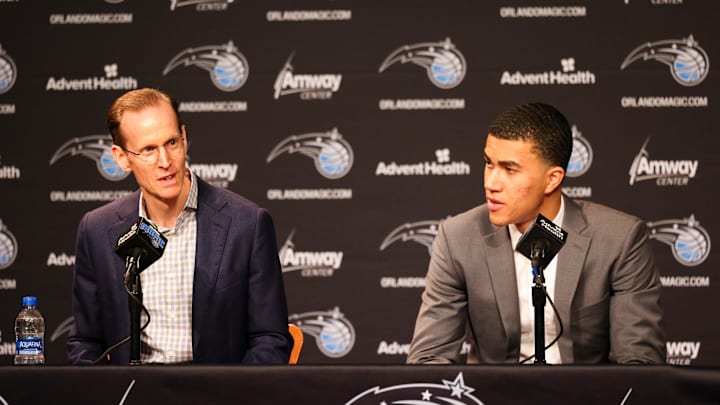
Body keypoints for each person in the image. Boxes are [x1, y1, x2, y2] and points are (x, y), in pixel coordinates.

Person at [407, 102, 665, 364]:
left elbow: (640, 364)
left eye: (509, 169)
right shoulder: (459, 238)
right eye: (488, 163)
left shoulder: (619, 239)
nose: (490, 183)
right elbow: (429, 359)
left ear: (552, 179)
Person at [67, 88, 292, 364]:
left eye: (171, 143)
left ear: (184, 138)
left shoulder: (247, 224)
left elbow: (271, 340)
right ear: (122, 158)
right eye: (148, 149)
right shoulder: (97, 230)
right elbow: (85, 343)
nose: (165, 162)